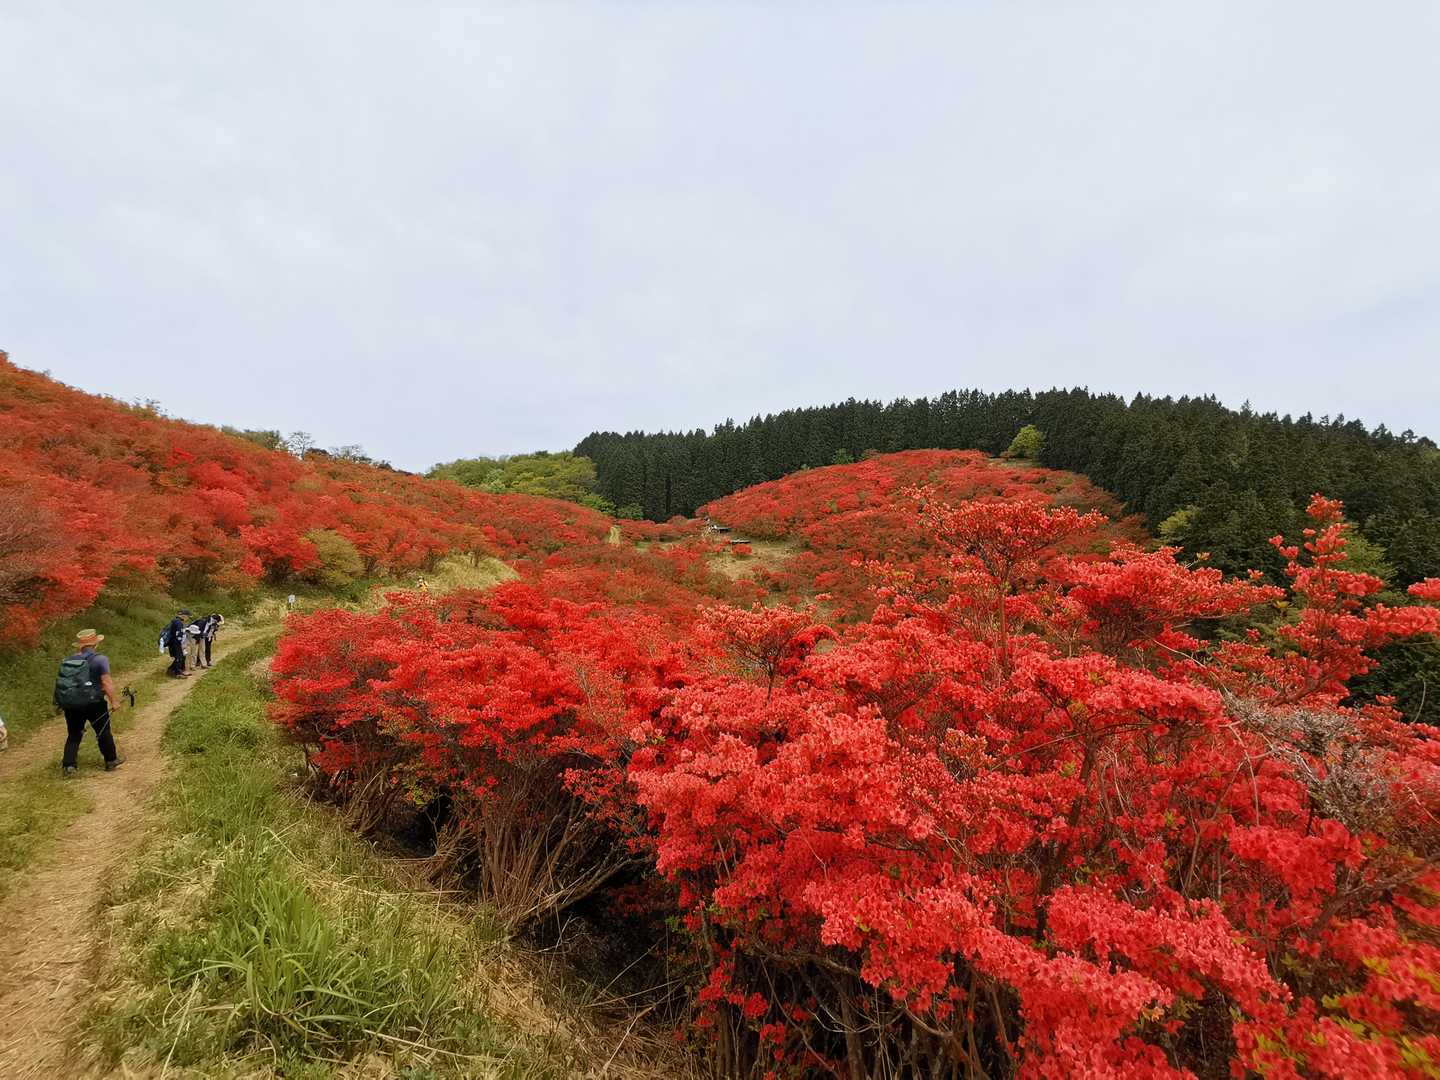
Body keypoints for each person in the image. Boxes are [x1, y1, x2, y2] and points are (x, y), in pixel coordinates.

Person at [55, 628, 123, 777]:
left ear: (80, 646)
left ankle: (69, 766)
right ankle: (111, 760)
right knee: (103, 731)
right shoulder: (100, 660)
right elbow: (106, 682)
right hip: (95, 703)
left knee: (74, 734)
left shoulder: (69, 660)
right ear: (95, 644)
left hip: (73, 704)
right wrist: (114, 701)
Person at [165, 608, 192, 678]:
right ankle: (177, 673)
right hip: (175, 643)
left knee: (181, 657)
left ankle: (172, 670)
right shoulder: (178, 623)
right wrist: (182, 644)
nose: (188, 618)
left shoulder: (175, 621)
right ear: (184, 616)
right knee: (179, 658)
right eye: (188, 617)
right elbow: (178, 635)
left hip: (173, 643)